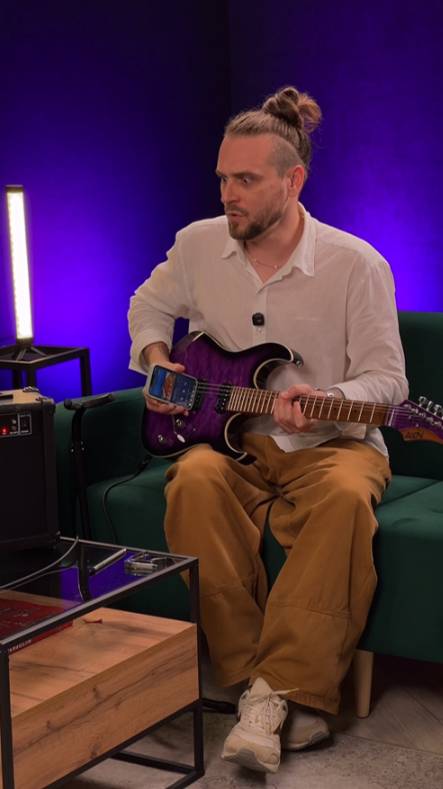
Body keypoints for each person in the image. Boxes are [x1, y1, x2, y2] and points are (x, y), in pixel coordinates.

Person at [128, 86, 408, 774]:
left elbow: (389, 381)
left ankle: (272, 694)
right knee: (191, 482)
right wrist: (158, 360)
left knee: (344, 499)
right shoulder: (197, 244)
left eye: (246, 180)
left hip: (332, 446)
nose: (229, 194)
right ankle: (267, 685)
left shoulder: (356, 264)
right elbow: (148, 304)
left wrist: (329, 399)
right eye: (223, 177)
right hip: (228, 442)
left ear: (293, 180)